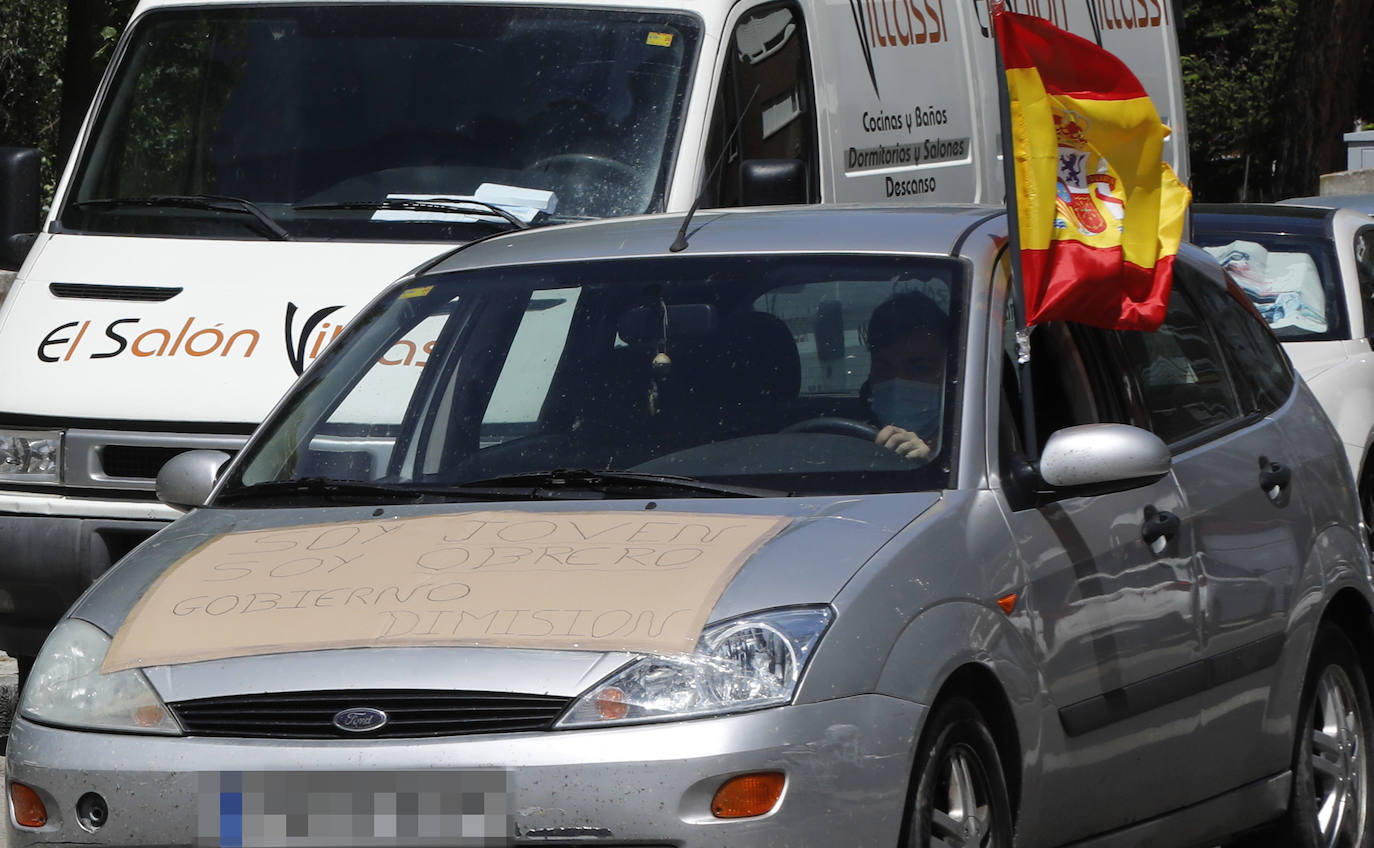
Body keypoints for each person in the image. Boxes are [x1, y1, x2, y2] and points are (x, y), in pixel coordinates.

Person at [862, 291, 947, 460]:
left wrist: (926, 463)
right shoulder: (845, 442)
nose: (898, 382)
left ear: (948, 371)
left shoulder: (973, 446)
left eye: (920, 368)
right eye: (884, 368)